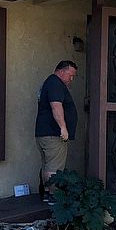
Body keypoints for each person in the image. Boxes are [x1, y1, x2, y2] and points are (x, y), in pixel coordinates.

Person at [35, 60, 78, 201]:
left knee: (47, 165)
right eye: (70, 75)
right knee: (55, 167)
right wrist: (63, 128)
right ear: (61, 71)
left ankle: (47, 193)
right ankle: (54, 196)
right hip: (53, 134)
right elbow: (56, 106)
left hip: (44, 133)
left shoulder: (49, 83)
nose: (71, 79)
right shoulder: (55, 84)